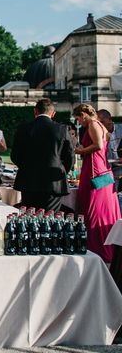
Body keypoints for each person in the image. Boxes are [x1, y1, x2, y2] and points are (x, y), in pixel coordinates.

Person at [73, 103, 121, 263]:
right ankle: (104, 245)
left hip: (95, 171)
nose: (79, 122)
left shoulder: (93, 124)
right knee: (101, 209)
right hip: (101, 168)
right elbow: (105, 141)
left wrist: (81, 150)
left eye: (78, 119)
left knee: (93, 208)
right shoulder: (101, 125)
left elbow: (98, 146)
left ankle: (96, 246)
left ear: (84, 115)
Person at [11, 98, 74, 211]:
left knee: (29, 216)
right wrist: (63, 171)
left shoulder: (23, 129)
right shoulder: (62, 129)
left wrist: (26, 167)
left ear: (35, 111)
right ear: (53, 113)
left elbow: (15, 155)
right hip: (53, 181)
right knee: (50, 217)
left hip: (28, 181)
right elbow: (69, 157)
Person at [97, 109, 122, 190]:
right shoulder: (98, 134)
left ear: (110, 119)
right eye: (98, 123)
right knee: (107, 194)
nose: (100, 125)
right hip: (106, 171)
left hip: (120, 170)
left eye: (102, 122)